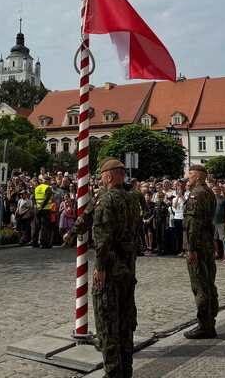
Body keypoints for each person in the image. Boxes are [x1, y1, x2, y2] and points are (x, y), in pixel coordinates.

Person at [92, 157, 137, 378]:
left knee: (108, 325)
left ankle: (113, 373)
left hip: (111, 267)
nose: (100, 180)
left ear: (108, 176)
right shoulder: (131, 198)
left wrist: (100, 267)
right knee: (125, 324)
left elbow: (103, 238)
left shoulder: (107, 199)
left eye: (101, 176)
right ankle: (126, 371)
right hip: (129, 266)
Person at [183, 164, 218, 339]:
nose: (187, 178)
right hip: (206, 243)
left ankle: (205, 325)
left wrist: (191, 248)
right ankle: (210, 320)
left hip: (198, 245)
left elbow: (192, 223)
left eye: (190, 175)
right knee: (209, 282)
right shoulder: (209, 192)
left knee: (200, 285)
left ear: (197, 177)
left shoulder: (196, 194)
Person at [33, 174, 54, 248]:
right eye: (49, 181)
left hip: (37, 209)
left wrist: (36, 207)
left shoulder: (37, 188)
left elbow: (33, 198)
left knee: (36, 226)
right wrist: (41, 207)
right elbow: (47, 199)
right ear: (47, 181)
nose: (50, 182)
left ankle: (34, 242)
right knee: (44, 227)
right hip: (45, 210)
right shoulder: (48, 188)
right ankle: (43, 243)